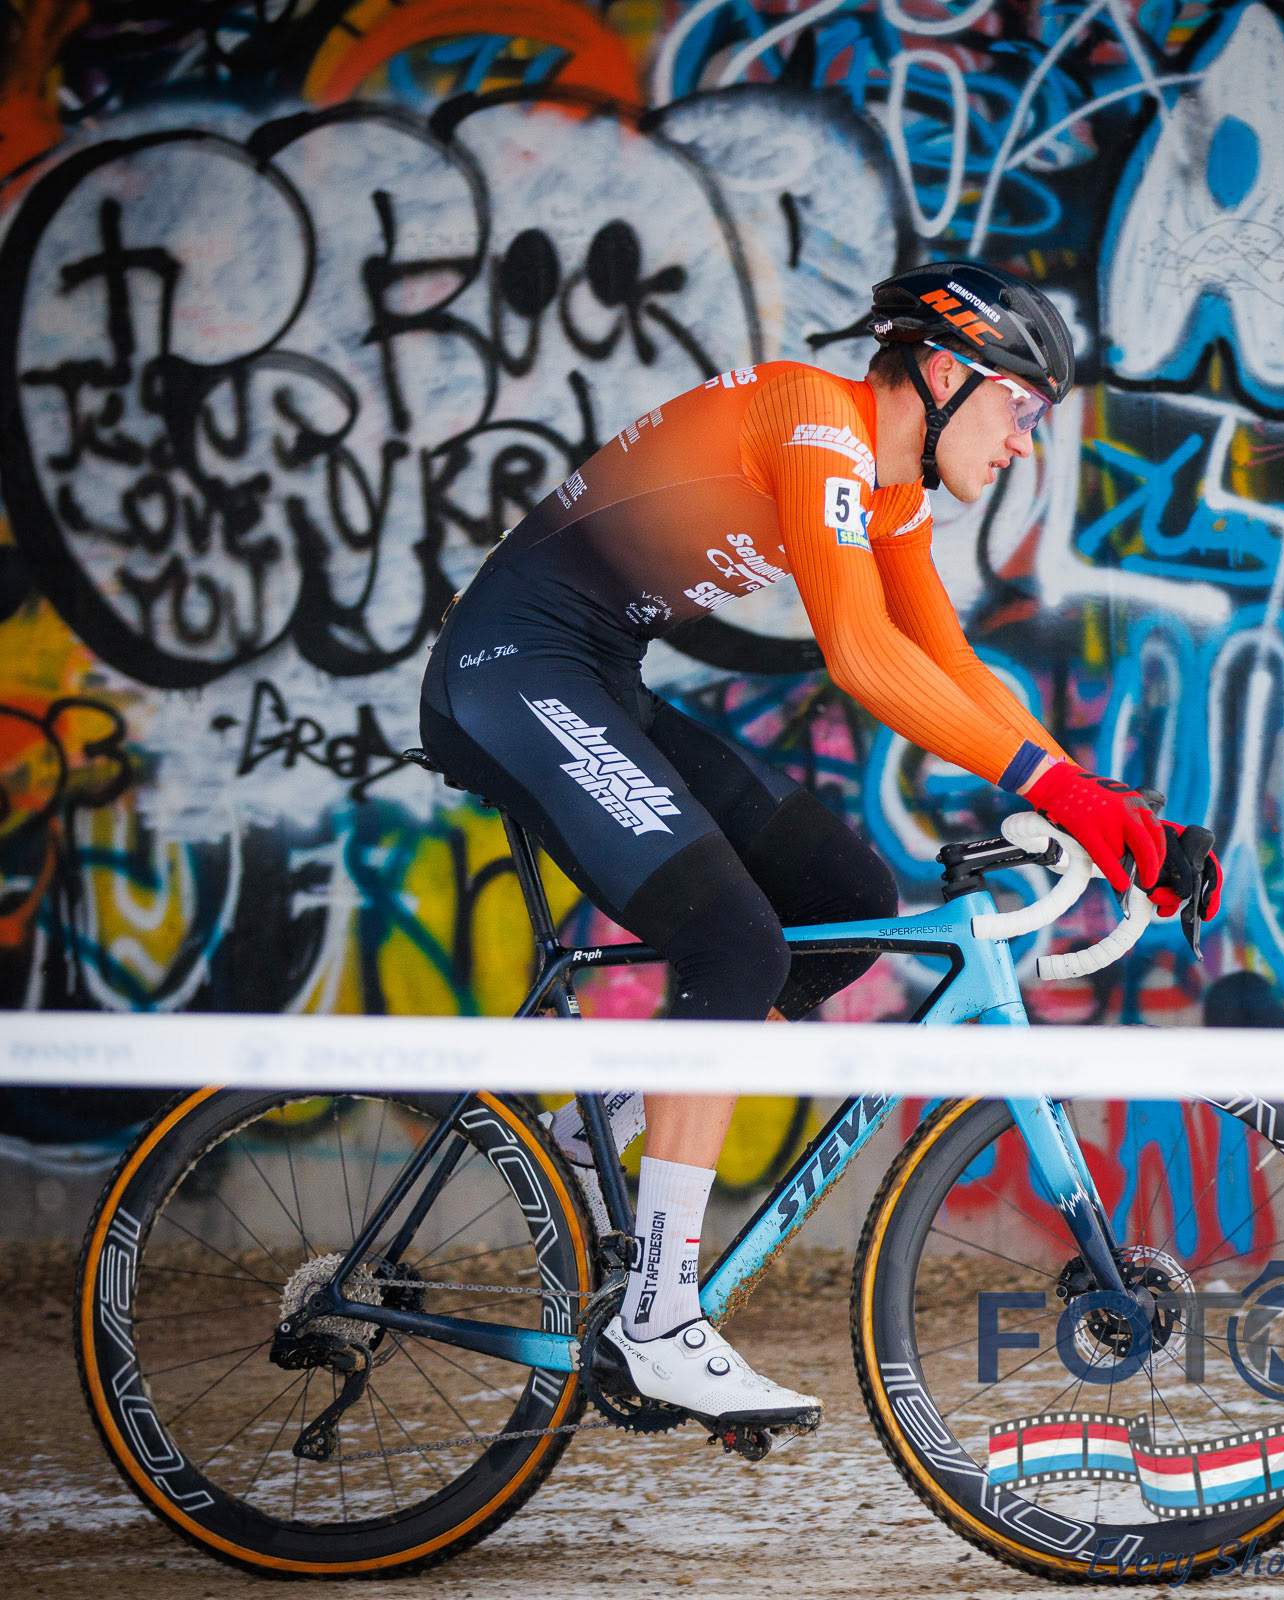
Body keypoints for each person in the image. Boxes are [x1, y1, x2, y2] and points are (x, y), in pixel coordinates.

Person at [418, 260, 1221, 1436]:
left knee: (843, 900)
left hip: (593, 674)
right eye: (1018, 406)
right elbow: (861, 653)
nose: (1022, 441)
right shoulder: (812, 419)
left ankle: (602, 1133)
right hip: (507, 673)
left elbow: (946, 663)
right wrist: (1060, 792)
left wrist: (1097, 803)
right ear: (942, 371)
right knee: (735, 944)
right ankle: (658, 1321)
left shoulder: (885, 493)